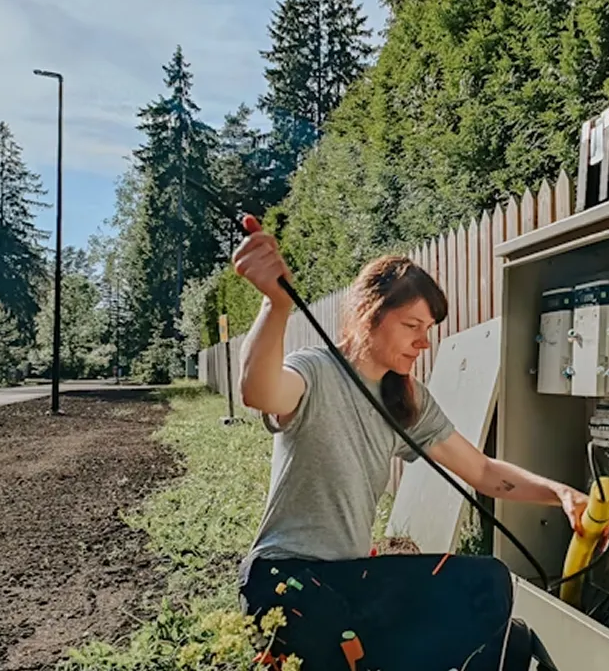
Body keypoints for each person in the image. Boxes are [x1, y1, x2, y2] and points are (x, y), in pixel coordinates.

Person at [230, 214, 583, 669]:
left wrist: (561, 494)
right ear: (369, 314)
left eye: (428, 329)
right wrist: (275, 305)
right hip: (283, 578)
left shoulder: (407, 400)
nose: (423, 342)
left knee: (487, 584)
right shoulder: (314, 371)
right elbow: (258, 391)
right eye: (412, 325)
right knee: (336, 639)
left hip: (350, 581)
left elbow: (483, 472)